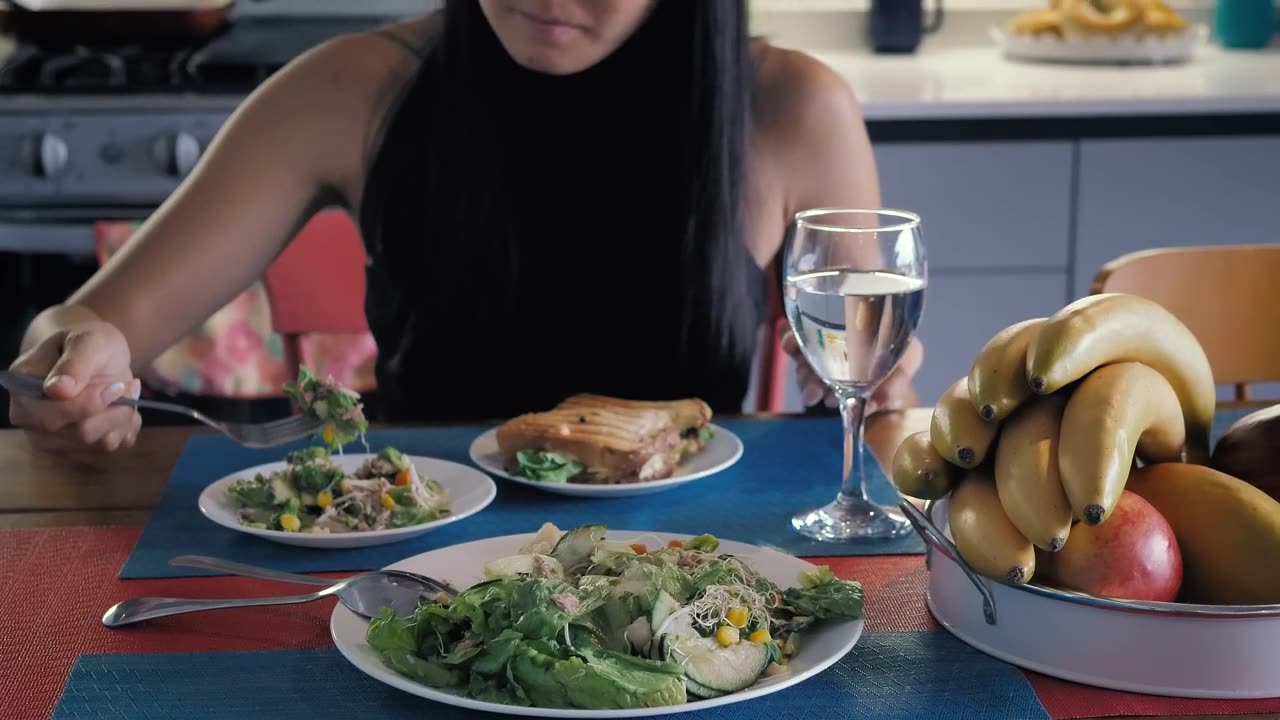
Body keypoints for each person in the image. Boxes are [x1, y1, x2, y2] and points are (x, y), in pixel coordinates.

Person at [7, 0, 922, 453]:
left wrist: (874, 388)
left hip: (696, 588)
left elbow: (870, 389)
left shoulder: (793, 108)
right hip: (417, 576)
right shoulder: (350, 88)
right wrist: (72, 362)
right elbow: (80, 327)